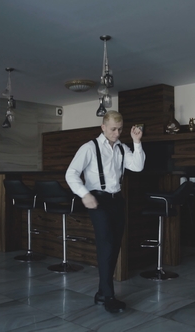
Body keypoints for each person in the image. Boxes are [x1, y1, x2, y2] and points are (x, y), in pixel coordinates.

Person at [65, 110, 145, 313]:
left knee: (115, 245)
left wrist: (136, 141)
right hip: (97, 201)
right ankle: (108, 296)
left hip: (117, 200)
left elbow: (137, 167)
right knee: (107, 245)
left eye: (120, 129)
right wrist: (84, 194)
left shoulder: (121, 148)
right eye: (113, 129)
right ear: (103, 127)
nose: (117, 133)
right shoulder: (89, 148)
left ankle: (102, 293)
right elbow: (71, 173)